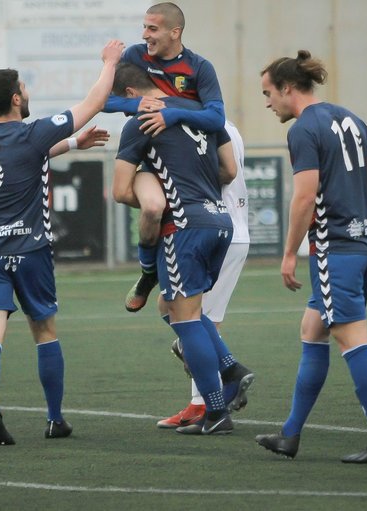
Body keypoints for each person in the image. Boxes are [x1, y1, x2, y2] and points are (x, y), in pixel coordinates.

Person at [0, 40, 124, 445]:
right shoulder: (32, 132)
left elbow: (29, 154)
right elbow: (92, 103)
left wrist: (74, 143)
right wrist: (109, 62)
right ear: (17, 97)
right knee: (45, 331)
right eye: (25, 88)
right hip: (29, 250)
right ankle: (55, 419)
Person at [254, 50, 367, 463]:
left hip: (336, 251)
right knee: (313, 328)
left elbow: (304, 196)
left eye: (268, 93)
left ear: (288, 88)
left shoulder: (303, 129)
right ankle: (290, 434)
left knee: (352, 339)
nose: (267, 102)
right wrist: (351, 211)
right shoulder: (351, 118)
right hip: (364, 244)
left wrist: (289, 253)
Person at [111, 62, 241, 435]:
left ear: (131, 96)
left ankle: (217, 413)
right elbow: (229, 170)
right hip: (220, 222)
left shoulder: (140, 121)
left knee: (185, 321)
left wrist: (153, 188)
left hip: (184, 228)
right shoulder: (198, 110)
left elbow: (120, 191)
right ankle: (231, 366)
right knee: (171, 307)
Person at [104, 2, 227, 313]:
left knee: (231, 169)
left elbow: (216, 119)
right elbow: (102, 100)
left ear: (175, 32)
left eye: (152, 28)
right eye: (144, 27)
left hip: (193, 146)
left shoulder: (200, 68)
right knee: (153, 206)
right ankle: (149, 272)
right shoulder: (135, 56)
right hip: (154, 154)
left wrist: (171, 113)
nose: (144, 34)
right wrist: (142, 106)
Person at [157, 119, 252, 430]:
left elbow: (218, 174)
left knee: (194, 320)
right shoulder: (223, 125)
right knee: (175, 309)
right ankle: (219, 383)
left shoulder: (194, 125)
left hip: (210, 231)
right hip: (227, 229)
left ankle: (207, 402)